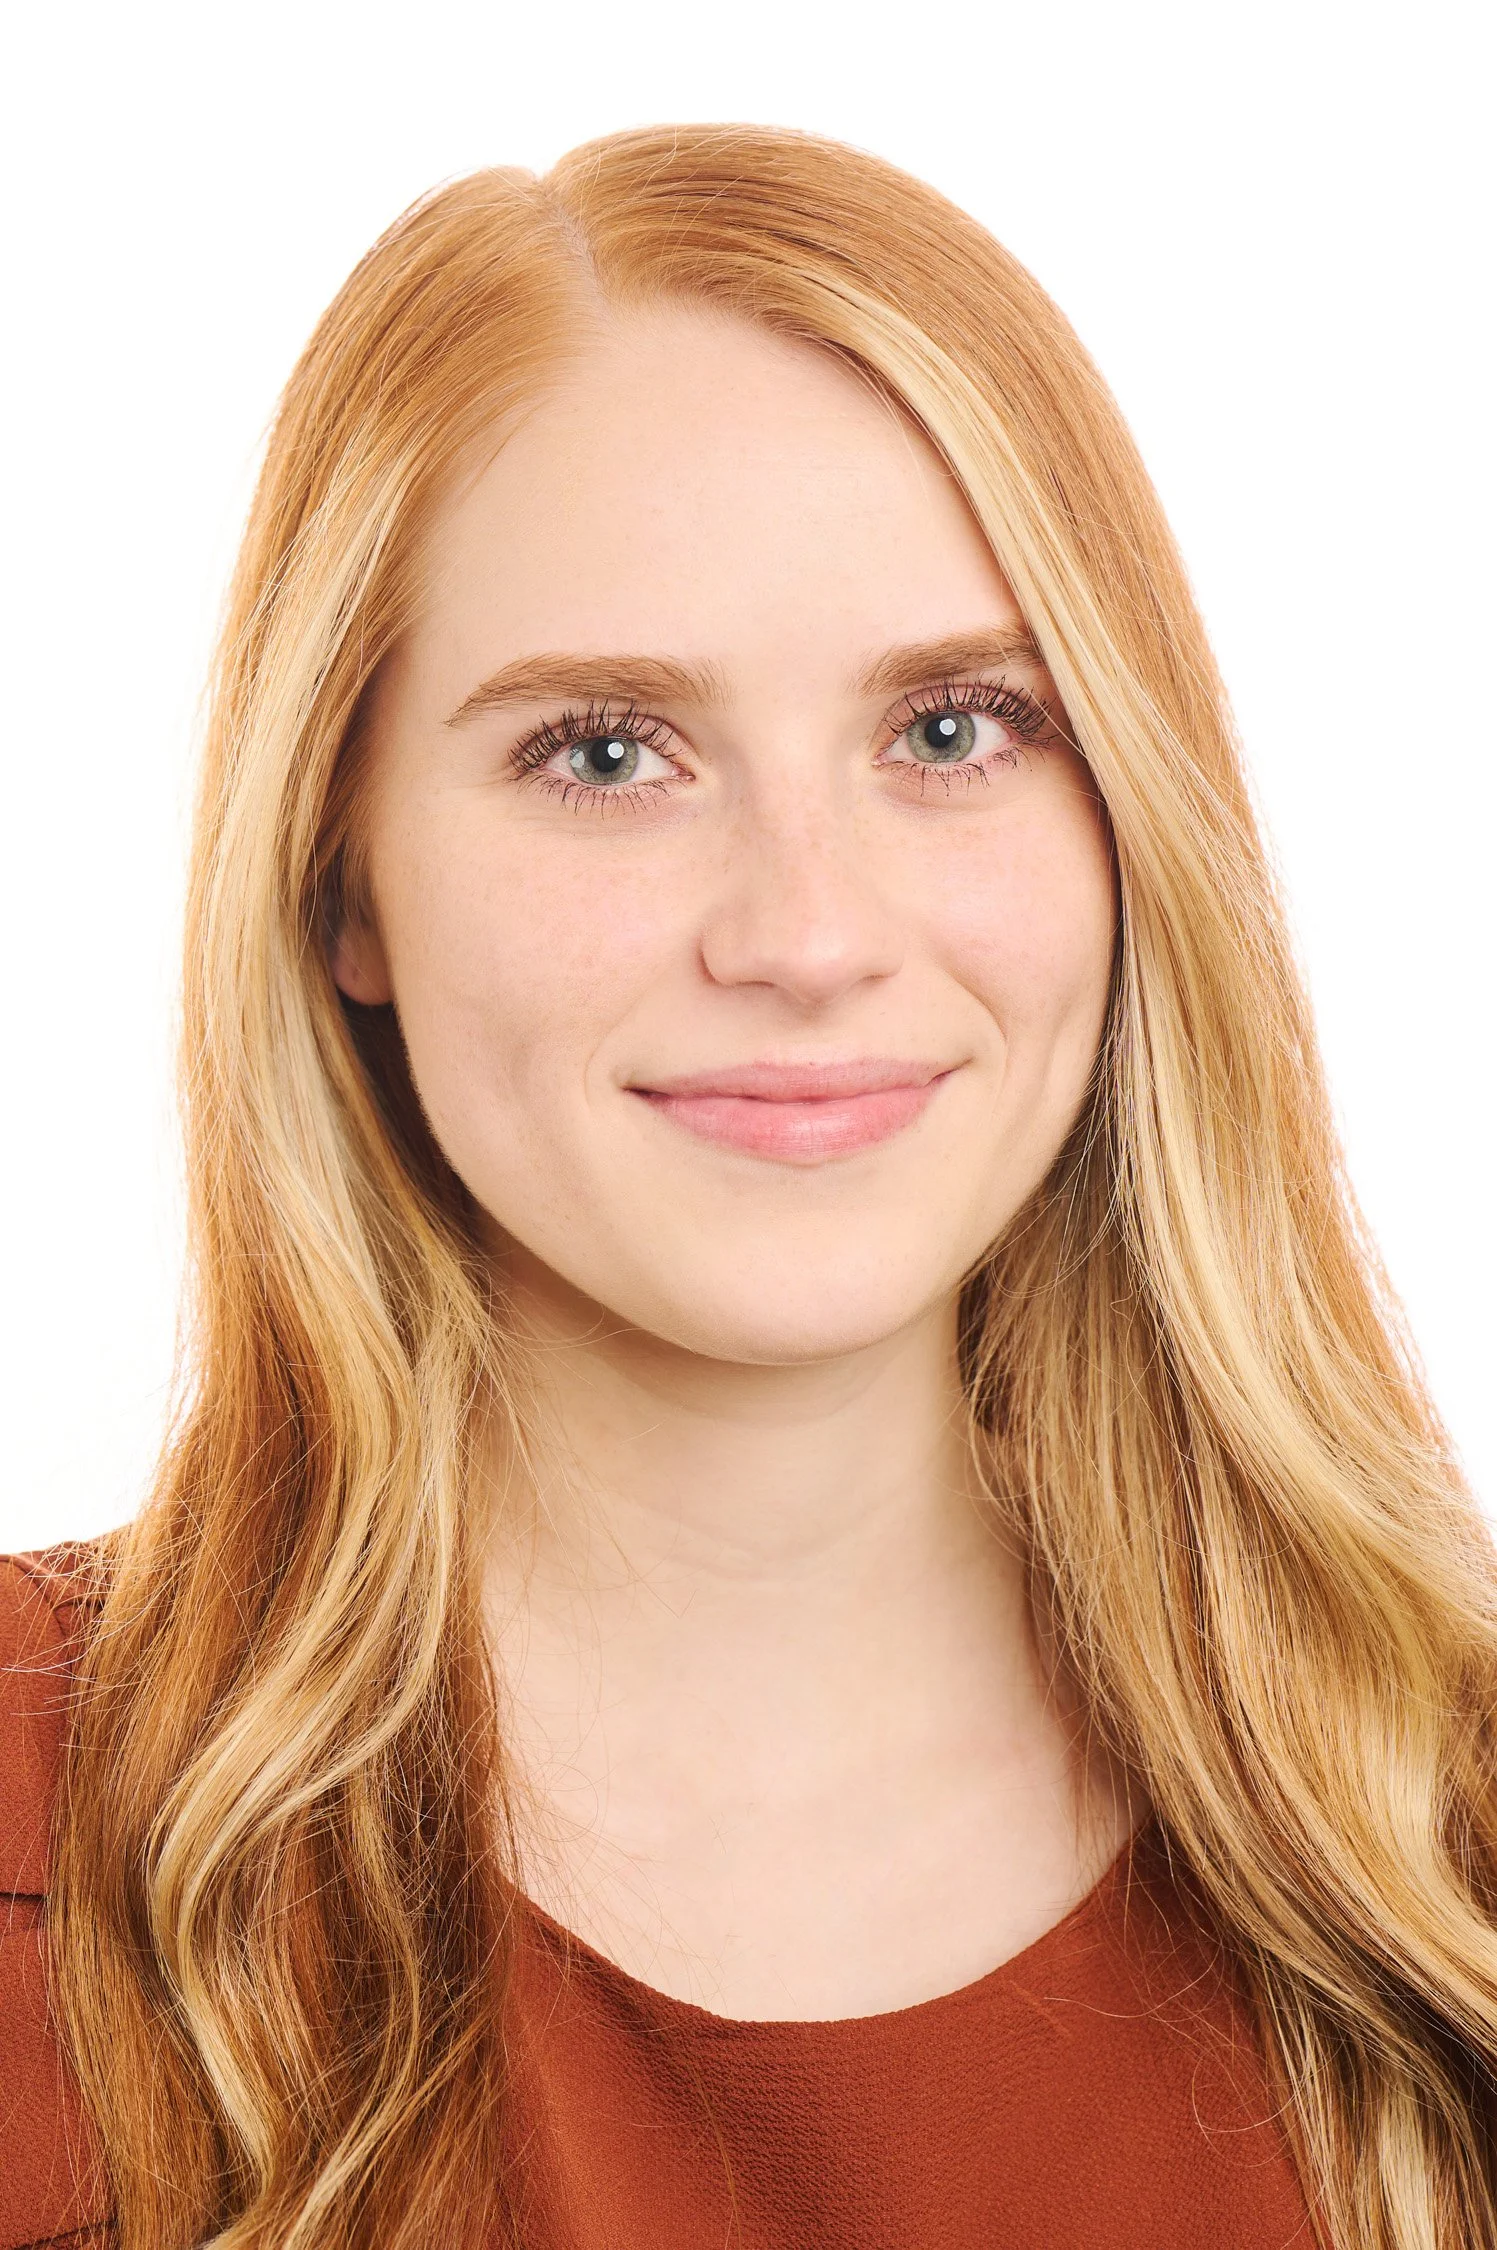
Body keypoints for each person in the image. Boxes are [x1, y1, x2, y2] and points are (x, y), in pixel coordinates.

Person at [2, 122, 1494, 2250]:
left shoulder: (1449, 1858)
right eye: (606, 752)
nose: (806, 935)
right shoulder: (32, 1841)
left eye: (957, 729)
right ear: (338, 877)